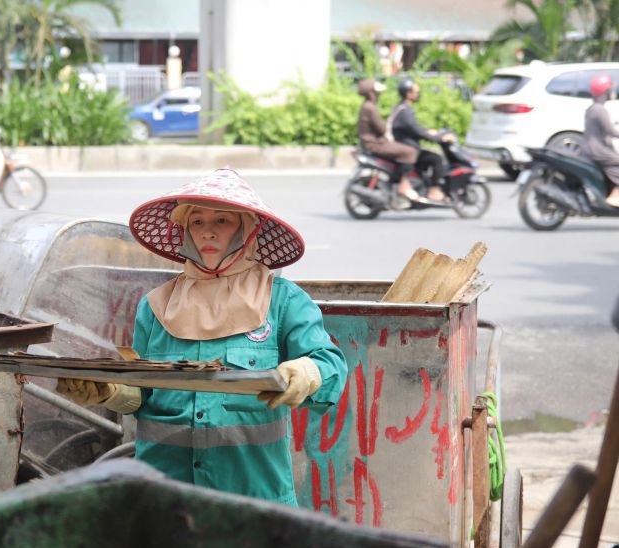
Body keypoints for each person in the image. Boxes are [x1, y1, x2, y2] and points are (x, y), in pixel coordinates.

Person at [57, 168, 348, 505]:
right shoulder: (155, 306)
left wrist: (308, 372)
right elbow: (142, 391)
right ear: (185, 230)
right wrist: (110, 391)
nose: (208, 231)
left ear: (247, 229)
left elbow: (331, 365)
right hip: (165, 500)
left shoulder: (282, 301)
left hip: (253, 501)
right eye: (197, 221)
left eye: (222, 220)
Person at [390, 78, 456, 202]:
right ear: (409, 94)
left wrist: (429, 131)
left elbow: (414, 128)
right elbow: (417, 131)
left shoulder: (401, 107)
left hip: (407, 146)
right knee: (437, 159)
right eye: (416, 92)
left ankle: (423, 187)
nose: (418, 94)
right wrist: (439, 138)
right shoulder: (405, 111)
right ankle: (434, 191)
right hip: (408, 148)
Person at [356, 78, 420, 201]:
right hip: (376, 144)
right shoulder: (370, 108)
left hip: (372, 143)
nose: (379, 94)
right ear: (372, 93)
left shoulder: (367, 106)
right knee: (410, 151)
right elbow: (381, 129)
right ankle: (404, 185)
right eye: (377, 92)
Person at [582, 74, 619, 208]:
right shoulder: (600, 110)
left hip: (591, 148)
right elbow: (610, 131)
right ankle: (615, 195)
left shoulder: (593, 108)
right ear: (605, 91)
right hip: (598, 150)